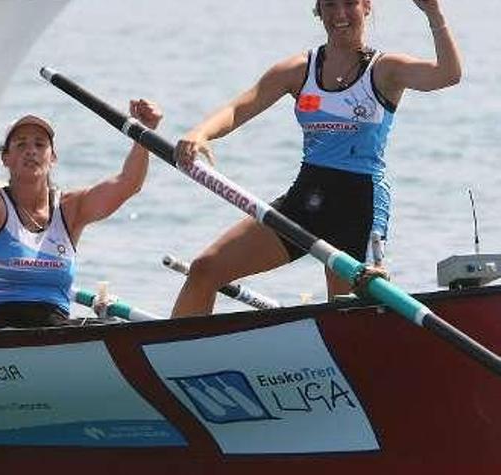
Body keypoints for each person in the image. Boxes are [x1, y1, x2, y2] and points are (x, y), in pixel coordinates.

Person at [171, 0, 462, 317]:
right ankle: (168, 360)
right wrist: (200, 133)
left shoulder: (385, 69)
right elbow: (239, 108)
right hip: (305, 201)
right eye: (330, 5)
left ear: (366, 7)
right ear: (318, 11)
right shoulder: (297, 70)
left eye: (350, 3)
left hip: (359, 207)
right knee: (205, 269)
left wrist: (434, 13)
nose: (340, 13)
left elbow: (447, 75)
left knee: (345, 314)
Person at [0, 98, 163, 329]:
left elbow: (128, 184)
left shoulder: (71, 209)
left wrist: (144, 133)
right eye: (21, 144)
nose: (31, 151)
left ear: (53, 158)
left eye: (40, 145)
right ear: (5, 159)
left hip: (55, 330)